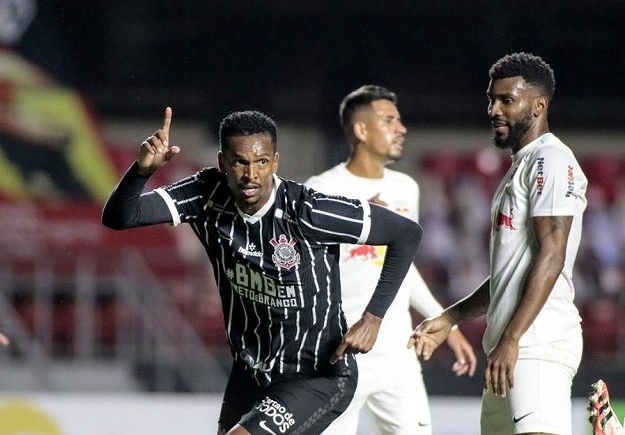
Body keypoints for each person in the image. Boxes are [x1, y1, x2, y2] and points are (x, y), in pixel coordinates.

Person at [102, 108, 423, 435]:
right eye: (239, 162)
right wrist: (140, 172)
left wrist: (373, 318)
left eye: (262, 162)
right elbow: (120, 217)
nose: (251, 174)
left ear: (275, 162)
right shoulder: (205, 194)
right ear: (222, 162)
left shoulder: (307, 210)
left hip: (314, 375)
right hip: (250, 371)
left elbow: (406, 233)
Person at [409, 52, 588, 435]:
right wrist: (450, 317)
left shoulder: (551, 161)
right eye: (492, 100)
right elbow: (508, 277)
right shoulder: (519, 167)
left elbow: (552, 255)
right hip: (507, 348)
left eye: (507, 100)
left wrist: (512, 338)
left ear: (538, 105)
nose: (494, 110)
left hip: (536, 342)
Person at [305, 84, 476, 435]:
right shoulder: (321, 189)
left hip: (397, 353)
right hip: (338, 351)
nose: (401, 129)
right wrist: (357, 222)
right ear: (361, 129)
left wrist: (447, 322)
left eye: (399, 120)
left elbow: (402, 267)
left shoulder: (405, 188)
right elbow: (307, 267)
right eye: (389, 121)